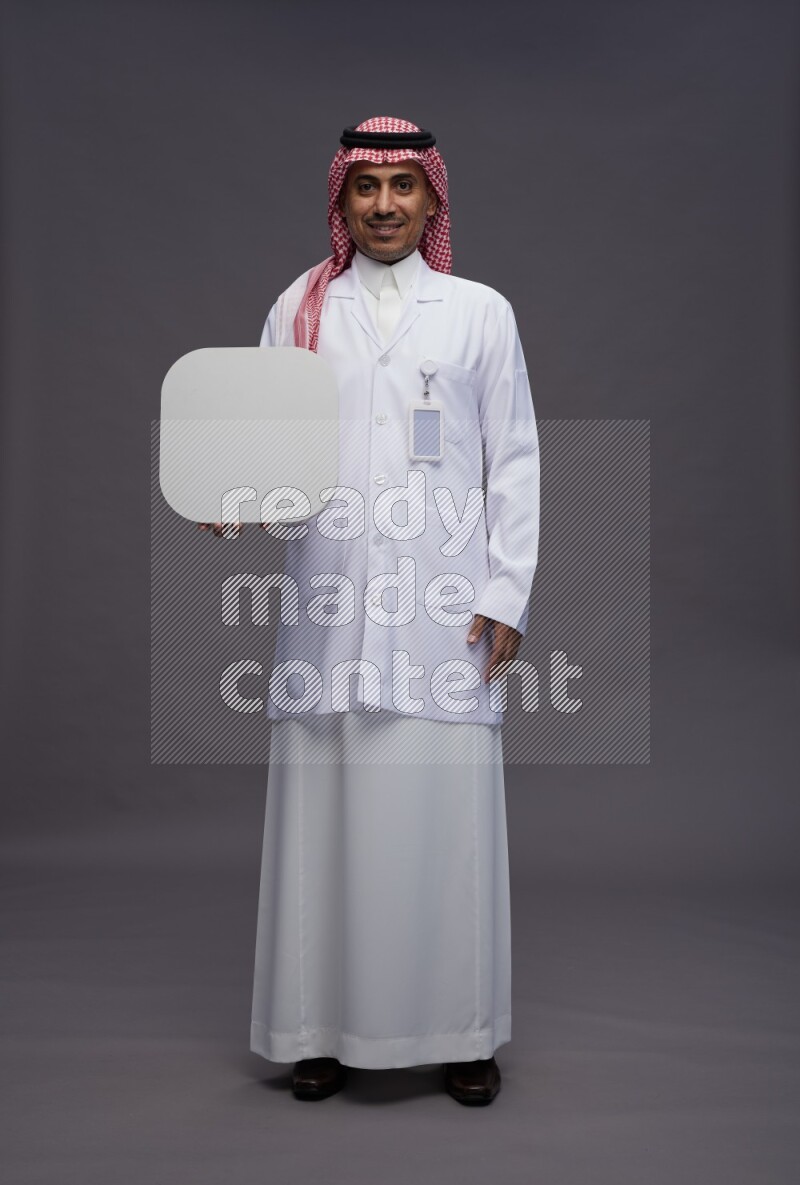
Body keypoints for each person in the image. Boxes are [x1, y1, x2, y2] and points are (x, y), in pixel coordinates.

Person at [222, 116, 539, 1104]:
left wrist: (503, 594)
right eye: (368, 188)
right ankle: (317, 1031)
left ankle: (461, 1033)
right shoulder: (300, 308)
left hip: (443, 614)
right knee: (326, 822)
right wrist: (231, 499)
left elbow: (514, 459)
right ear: (341, 200)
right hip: (330, 602)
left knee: (445, 828)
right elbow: (262, 448)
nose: (385, 206)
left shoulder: (478, 312)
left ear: (433, 201)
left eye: (405, 187)